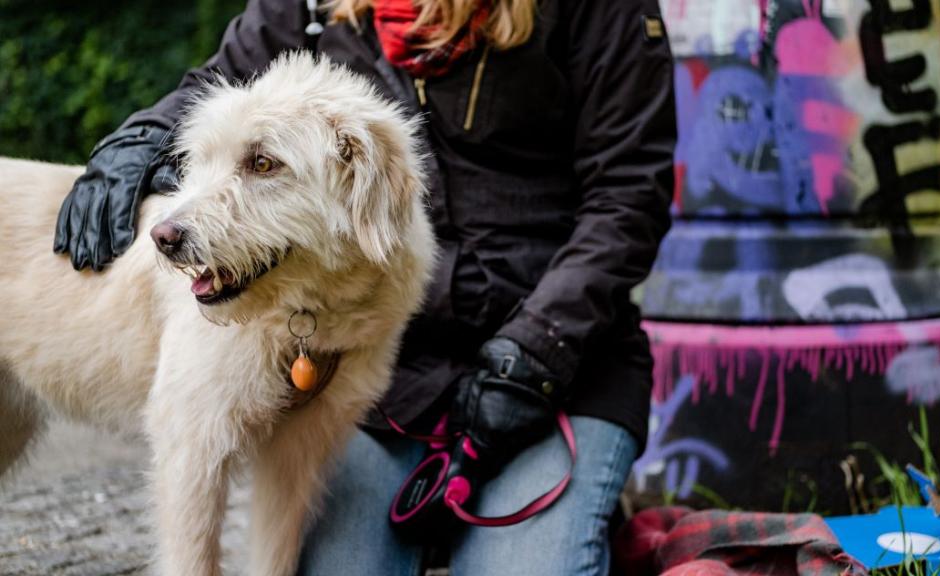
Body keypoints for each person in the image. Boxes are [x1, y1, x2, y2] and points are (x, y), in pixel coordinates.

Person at [53, 0, 676, 573]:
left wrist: (534, 355)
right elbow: (216, 88)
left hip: (557, 372)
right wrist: (138, 140)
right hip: (385, 377)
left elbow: (628, 197)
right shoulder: (312, 6)